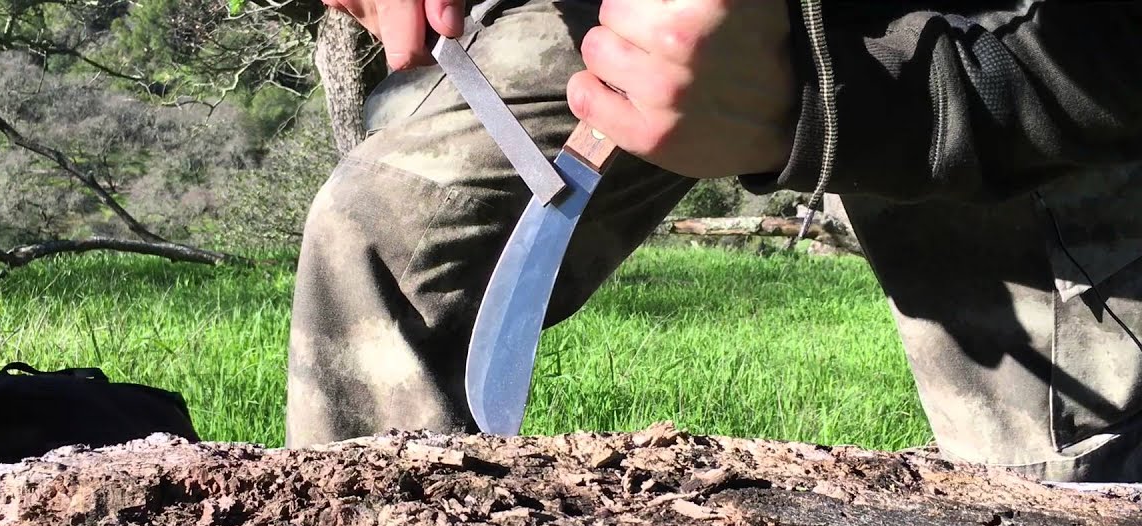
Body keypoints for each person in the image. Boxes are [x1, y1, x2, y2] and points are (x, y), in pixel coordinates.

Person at [287, 0, 1142, 484]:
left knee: (1064, 489)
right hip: (612, 20)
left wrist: (851, 107)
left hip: (992, 38)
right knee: (378, 238)